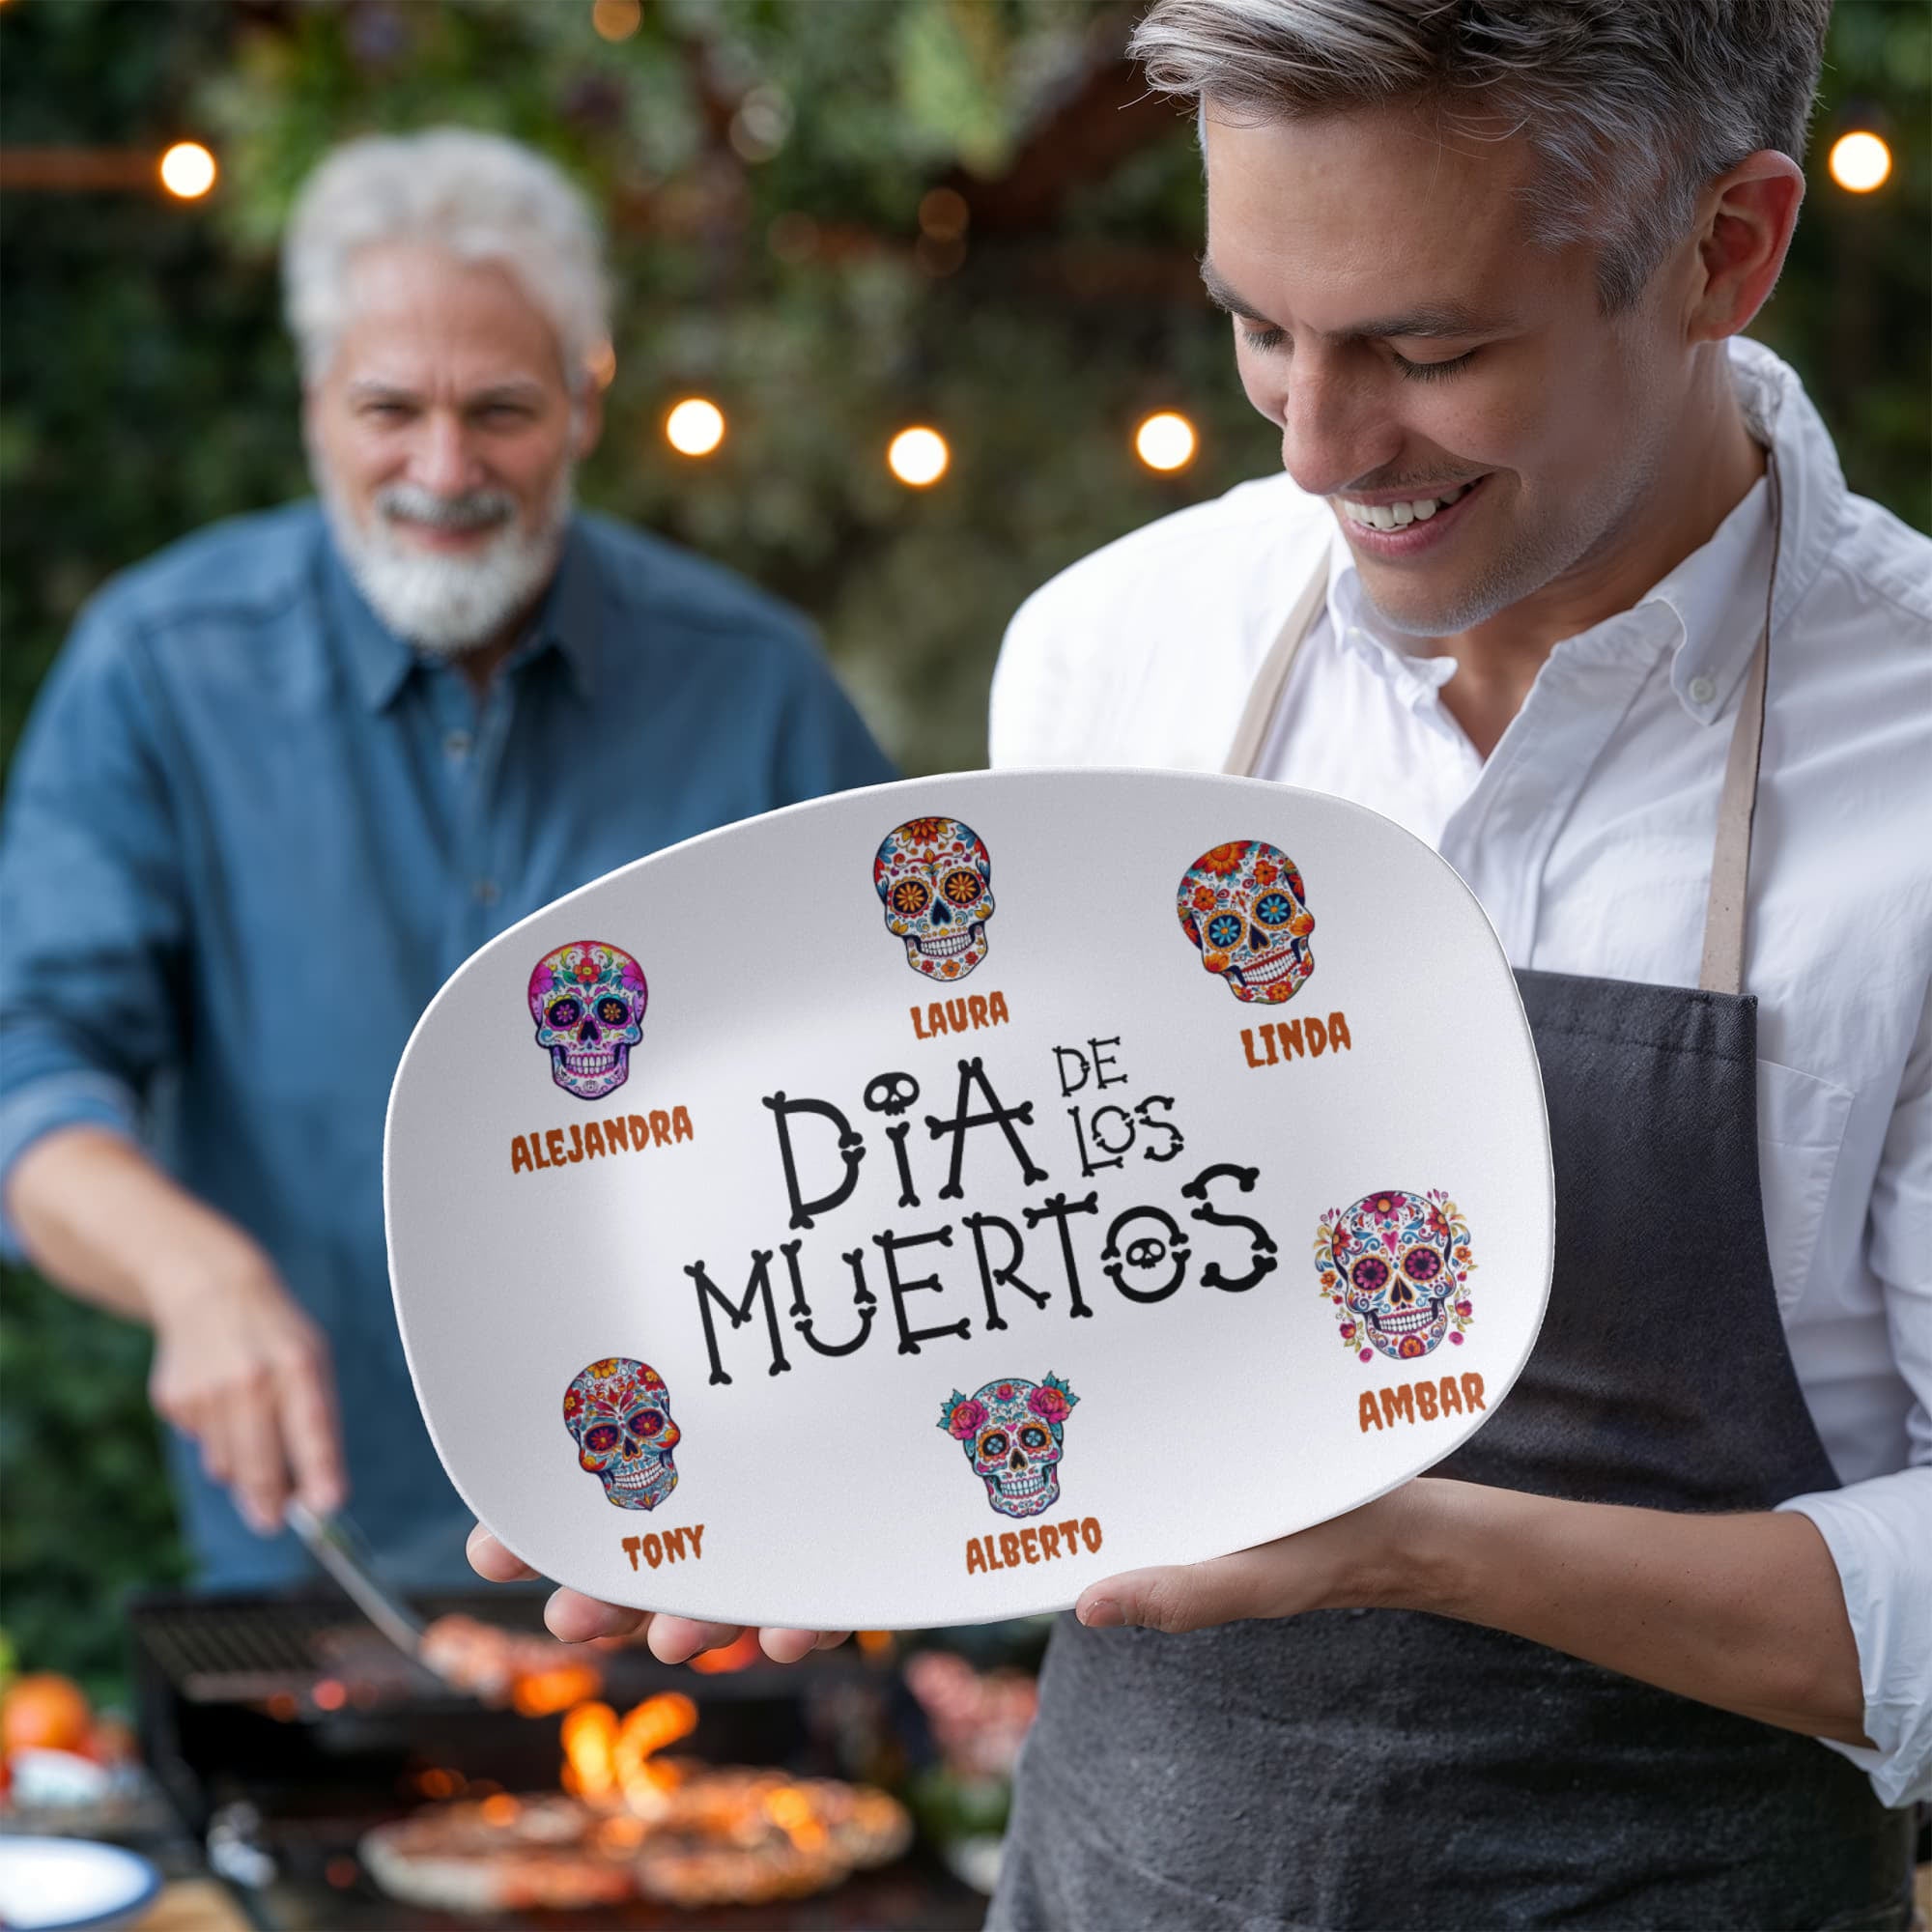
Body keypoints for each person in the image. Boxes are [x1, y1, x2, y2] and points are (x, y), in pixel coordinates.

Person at [469, 4, 1931, 1926]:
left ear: (1725, 249)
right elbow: (1040, 1270)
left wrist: (1413, 1546)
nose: (1321, 449)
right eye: (1256, 325)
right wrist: (820, 1458)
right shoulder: (1119, 650)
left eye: (1427, 348)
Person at [0, 128, 895, 1592]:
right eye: (388, 408)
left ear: (588, 401)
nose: (443, 466)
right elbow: (30, 1072)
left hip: (705, 1547)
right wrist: (190, 1271)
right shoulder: (159, 669)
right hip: (313, 1561)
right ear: (312, 406)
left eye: (500, 410)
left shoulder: (758, 687)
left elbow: (903, 1063)